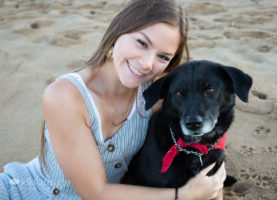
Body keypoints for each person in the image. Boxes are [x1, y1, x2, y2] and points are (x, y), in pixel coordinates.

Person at [0, 0, 226, 199]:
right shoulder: (65, 96)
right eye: (142, 43)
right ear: (120, 30)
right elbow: (96, 193)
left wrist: (213, 180)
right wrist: (183, 196)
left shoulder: (158, 90)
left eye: (163, 56)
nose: (147, 63)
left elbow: (211, 118)